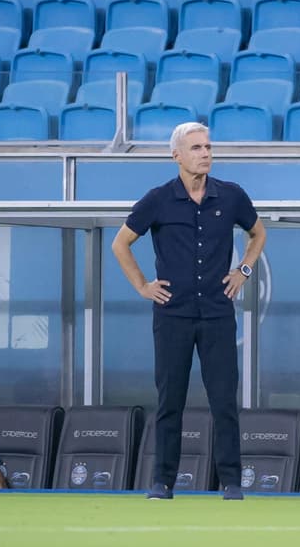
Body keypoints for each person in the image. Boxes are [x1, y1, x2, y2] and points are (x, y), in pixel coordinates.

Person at [112, 122, 266, 500]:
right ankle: (163, 482)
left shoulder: (231, 197)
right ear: (176, 156)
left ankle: (231, 481)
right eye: (197, 148)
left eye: (209, 147)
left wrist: (243, 270)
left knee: (224, 401)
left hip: (216, 314)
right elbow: (121, 244)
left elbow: (258, 233)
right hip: (172, 315)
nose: (206, 154)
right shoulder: (158, 199)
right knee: (170, 402)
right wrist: (143, 286)